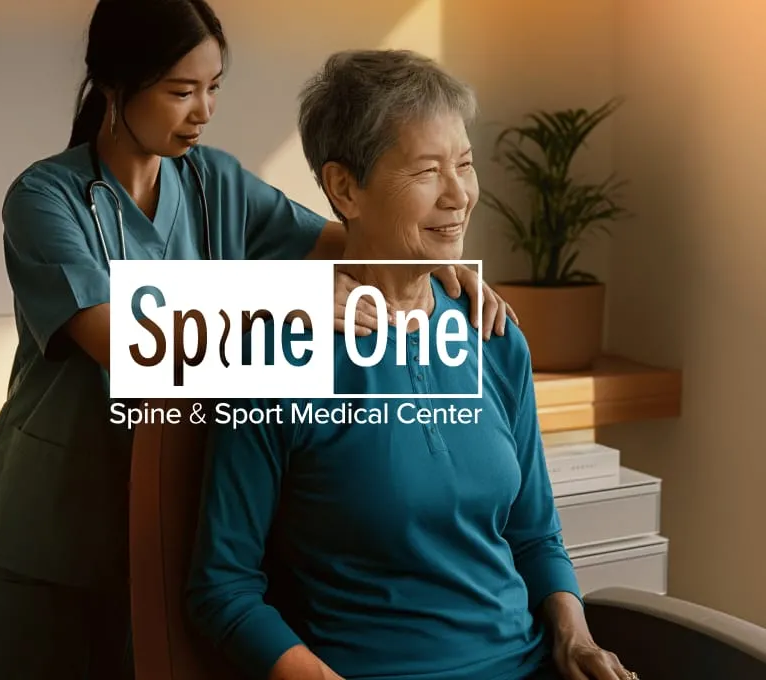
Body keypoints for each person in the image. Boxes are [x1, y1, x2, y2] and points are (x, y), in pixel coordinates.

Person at [0, 2, 515, 679]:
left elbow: (353, 229)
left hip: (174, 508)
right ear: (114, 84)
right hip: (55, 519)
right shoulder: (46, 199)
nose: (204, 110)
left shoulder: (214, 180)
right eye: (180, 91)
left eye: (214, 87)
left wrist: (437, 255)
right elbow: (123, 342)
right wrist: (285, 298)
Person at [185, 50, 638, 680]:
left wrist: (575, 637)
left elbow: (535, 536)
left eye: (465, 165)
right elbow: (223, 590)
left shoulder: (493, 334)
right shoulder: (281, 354)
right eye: (427, 171)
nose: (459, 195)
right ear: (345, 188)